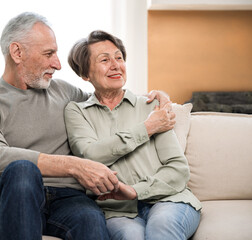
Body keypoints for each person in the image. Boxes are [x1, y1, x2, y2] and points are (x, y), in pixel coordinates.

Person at [0, 12, 173, 240]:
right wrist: (74, 165)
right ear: (17, 52)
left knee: (90, 220)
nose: (57, 64)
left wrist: (152, 98)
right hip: (13, 200)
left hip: (68, 199)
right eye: (48, 54)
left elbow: (107, 102)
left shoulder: (63, 91)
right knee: (22, 170)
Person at [64, 30, 202, 240]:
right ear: (86, 74)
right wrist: (146, 128)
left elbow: (178, 169)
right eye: (104, 59)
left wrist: (135, 191)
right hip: (116, 210)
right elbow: (90, 156)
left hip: (169, 200)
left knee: (161, 229)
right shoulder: (77, 111)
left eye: (119, 57)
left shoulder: (152, 106)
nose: (115, 65)